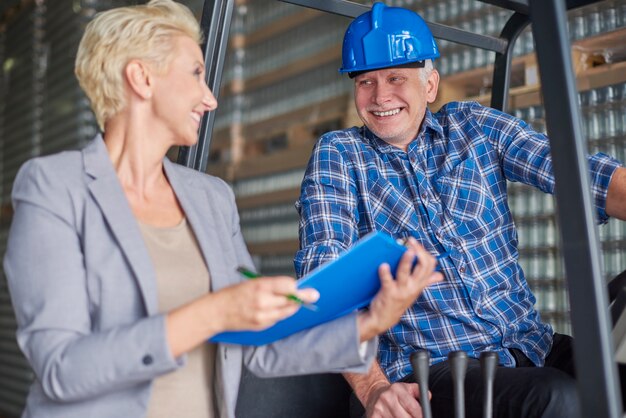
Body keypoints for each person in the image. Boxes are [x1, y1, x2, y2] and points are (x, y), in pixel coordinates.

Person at [2, 2, 443, 418]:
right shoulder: (54, 187)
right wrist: (213, 313)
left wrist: (372, 321)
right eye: (195, 73)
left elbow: (259, 348)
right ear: (141, 78)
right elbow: (61, 368)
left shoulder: (210, 197)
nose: (209, 98)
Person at [295, 3, 626, 418]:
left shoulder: (474, 127)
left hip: (530, 345)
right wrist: (374, 388)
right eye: (366, 82)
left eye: (396, 78)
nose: (380, 96)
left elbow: (582, 174)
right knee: (556, 398)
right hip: (431, 368)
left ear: (429, 85)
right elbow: (322, 286)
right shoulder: (340, 155)